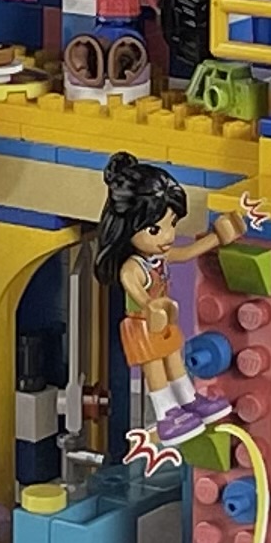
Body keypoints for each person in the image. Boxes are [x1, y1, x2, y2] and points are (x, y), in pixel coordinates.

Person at [91, 154, 231, 452]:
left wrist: (217, 238)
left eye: (172, 225)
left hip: (163, 318)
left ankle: (188, 400)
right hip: (142, 324)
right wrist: (149, 305)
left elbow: (187, 252)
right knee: (154, 366)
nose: (168, 236)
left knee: (174, 359)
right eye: (155, 230)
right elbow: (134, 289)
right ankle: (167, 414)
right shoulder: (133, 267)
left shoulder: (157, 256)